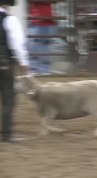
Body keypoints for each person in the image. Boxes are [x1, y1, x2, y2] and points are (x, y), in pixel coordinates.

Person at [0, 0, 29, 142]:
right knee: (8, 100)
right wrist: (23, 63)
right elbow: (16, 43)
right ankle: (7, 134)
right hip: (4, 64)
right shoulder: (9, 19)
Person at [28, 1, 56, 75]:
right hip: (36, 21)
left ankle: (44, 70)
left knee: (45, 47)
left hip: (48, 21)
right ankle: (34, 69)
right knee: (34, 46)